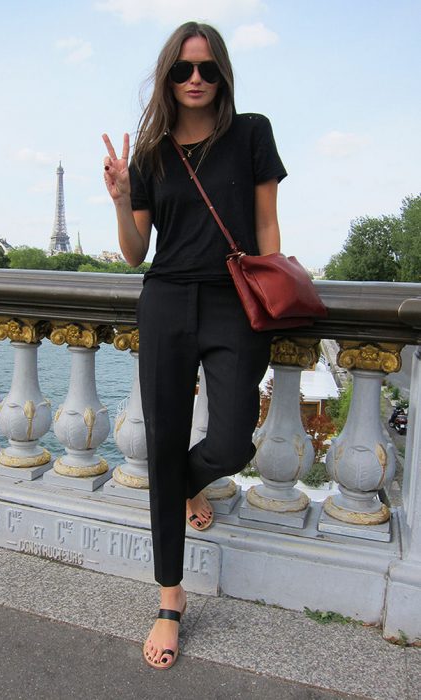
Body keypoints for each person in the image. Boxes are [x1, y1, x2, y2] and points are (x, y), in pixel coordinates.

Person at [103, 21, 287, 670]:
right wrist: (123, 200)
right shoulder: (151, 152)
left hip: (236, 301)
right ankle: (169, 599)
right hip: (167, 302)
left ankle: (179, 483)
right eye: (183, 70)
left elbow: (266, 224)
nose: (196, 80)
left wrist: (277, 286)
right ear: (167, 76)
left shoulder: (253, 134)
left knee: (234, 440)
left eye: (207, 69)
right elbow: (134, 253)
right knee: (163, 434)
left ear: (224, 73)